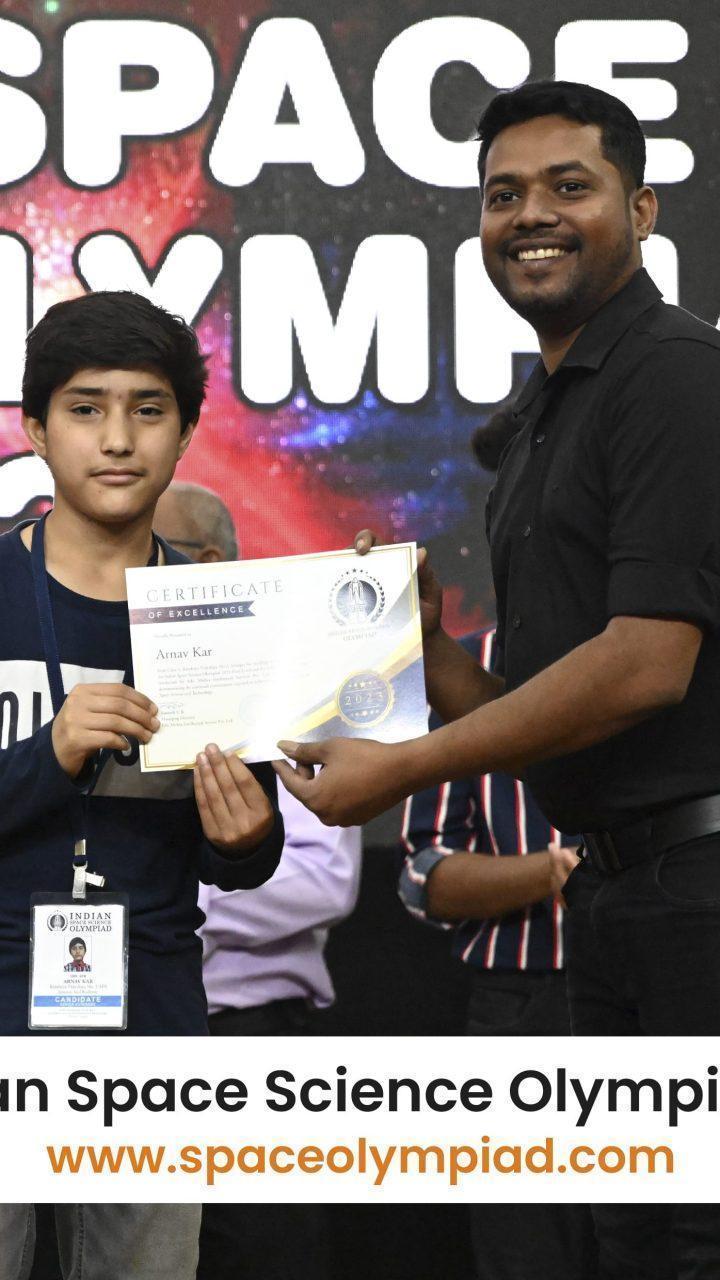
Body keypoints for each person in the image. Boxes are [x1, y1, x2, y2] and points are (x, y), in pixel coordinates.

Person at [276, 80, 720, 1277]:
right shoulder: (539, 421)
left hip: (699, 891)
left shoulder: (676, 374)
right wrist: (426, 660)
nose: (532, 215)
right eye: (503, 194)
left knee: (696, 1239)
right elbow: (547, 707)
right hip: (617, 896)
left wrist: (402, 767)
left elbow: (646, 666)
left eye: (570, 187)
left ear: (643, 209)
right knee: (633, 1237)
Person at [0, 290, 284, 1280]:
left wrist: (245, 838)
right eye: (85, 408)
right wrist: (48, 752)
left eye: (148, 409)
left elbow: (240, 855)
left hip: (153, 1021)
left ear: (187, 430)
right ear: (36, 428)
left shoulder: (218, 615)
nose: (118, 438)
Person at [154, 481, 362, 1280]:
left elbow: (322, 880)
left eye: (153, 548)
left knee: (266, 1254)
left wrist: (164, 904)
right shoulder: (109, 683)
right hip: (129, 1038)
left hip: (251, 1037)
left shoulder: (300, 686)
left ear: (208, 563)